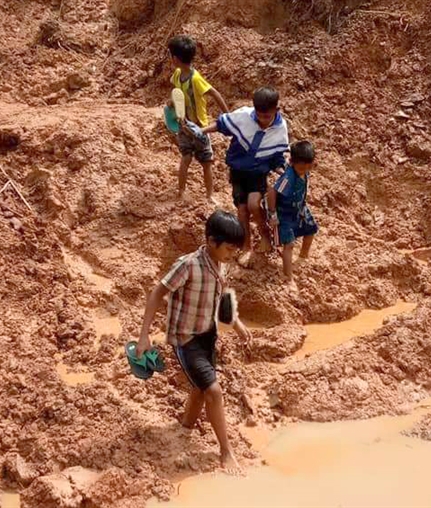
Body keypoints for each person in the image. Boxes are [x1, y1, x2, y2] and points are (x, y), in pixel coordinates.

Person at [136, 210, 251, 474]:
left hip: (208, 335)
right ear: (211, 241)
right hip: (186, 339)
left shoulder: (221, 265)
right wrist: (144, 335)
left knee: (200, 388)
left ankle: (185, 428)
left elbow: (221, 298)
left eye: (236, 248)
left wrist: (236, 323)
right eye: (230, 247)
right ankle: (226, 450)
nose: (233, 253)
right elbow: (157, 293)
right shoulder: (187, 265)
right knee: (214, 391)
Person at [202, 87, 288, 265]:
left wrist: (281, 168)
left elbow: (277, 154)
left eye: (267, 116)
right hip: (238, 171)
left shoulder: (280, 128)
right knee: (241, 210)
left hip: (258, 172)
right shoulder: (244, 116)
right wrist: (201, 131)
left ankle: (265, 235)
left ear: (276, 111)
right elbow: (222, 124)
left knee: (254, 205)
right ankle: (246, 246)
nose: (263, 120)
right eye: (259, 116)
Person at [167, 35, 229, 203]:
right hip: (184, 125)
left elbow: (214, 92)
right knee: (191, 159)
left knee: (203, 161)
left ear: (175, 58)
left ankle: (205, 195)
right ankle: (185, 192)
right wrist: (172, 104)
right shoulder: (178, 74)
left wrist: (227, 115)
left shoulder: (195, 79)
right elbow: (176, 94)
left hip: (199, 128)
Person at [266, 140, 318, 284]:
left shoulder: (305, 171)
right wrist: (272, 214)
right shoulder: (288, 177)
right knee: (288, 244)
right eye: (302, 167)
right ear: (292, 162)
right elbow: (272, 192)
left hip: (299, 208)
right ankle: (288, 277)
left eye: (308, 166)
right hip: (285, 213)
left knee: (311, 230)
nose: (305, 169)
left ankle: (303, 257)